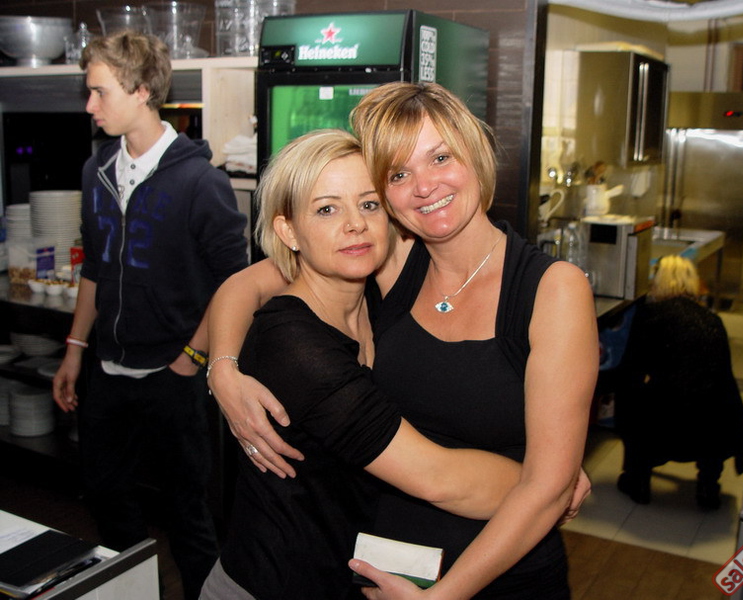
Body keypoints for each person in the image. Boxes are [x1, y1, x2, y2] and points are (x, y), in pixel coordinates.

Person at [207, 82, 598, 598]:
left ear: (475, 154)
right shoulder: (393, 261)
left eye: (440, 157)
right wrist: (222, 368)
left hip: (501, 577)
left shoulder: (550, 289)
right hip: (387, 569)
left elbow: (544, 488)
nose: (424, 186)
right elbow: (247, 283)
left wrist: (552, 474)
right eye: (398, 174)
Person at [51, 31, 248, 600]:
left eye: (100, 92)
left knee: (187, 513)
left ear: (141, 91)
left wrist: (190, 358)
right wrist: (75, 350)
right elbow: (94, 267)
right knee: (107, 499)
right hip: (107, 372)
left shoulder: (201, 181)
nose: (90, 106)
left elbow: (234, 284)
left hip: (173, 374)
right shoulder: (96, 170)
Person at [615, 255, 743, 510]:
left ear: (659, 282)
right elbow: (724, 377)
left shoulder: (651, 315)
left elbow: (633, 369)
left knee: (631, 399)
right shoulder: (712, 319)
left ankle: (639, 480)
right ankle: (708, 486)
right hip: (712, 423)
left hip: (667, 417)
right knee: (712, 402)